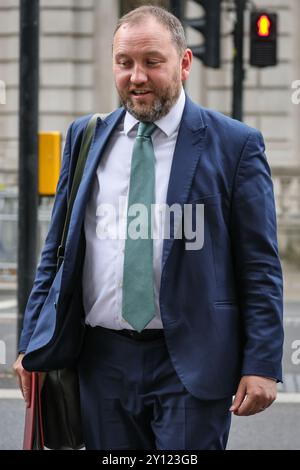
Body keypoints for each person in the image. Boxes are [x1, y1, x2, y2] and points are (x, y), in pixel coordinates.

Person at [14, 5, 283, 450]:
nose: (136, 76)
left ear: (183, 63)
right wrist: (32, 341)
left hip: (191, 361)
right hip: (101, 360)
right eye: (124, 63)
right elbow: (57, 250)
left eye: (152, 62)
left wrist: (262, 362)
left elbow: (259, 266)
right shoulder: (85, 137)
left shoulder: (235, 145)